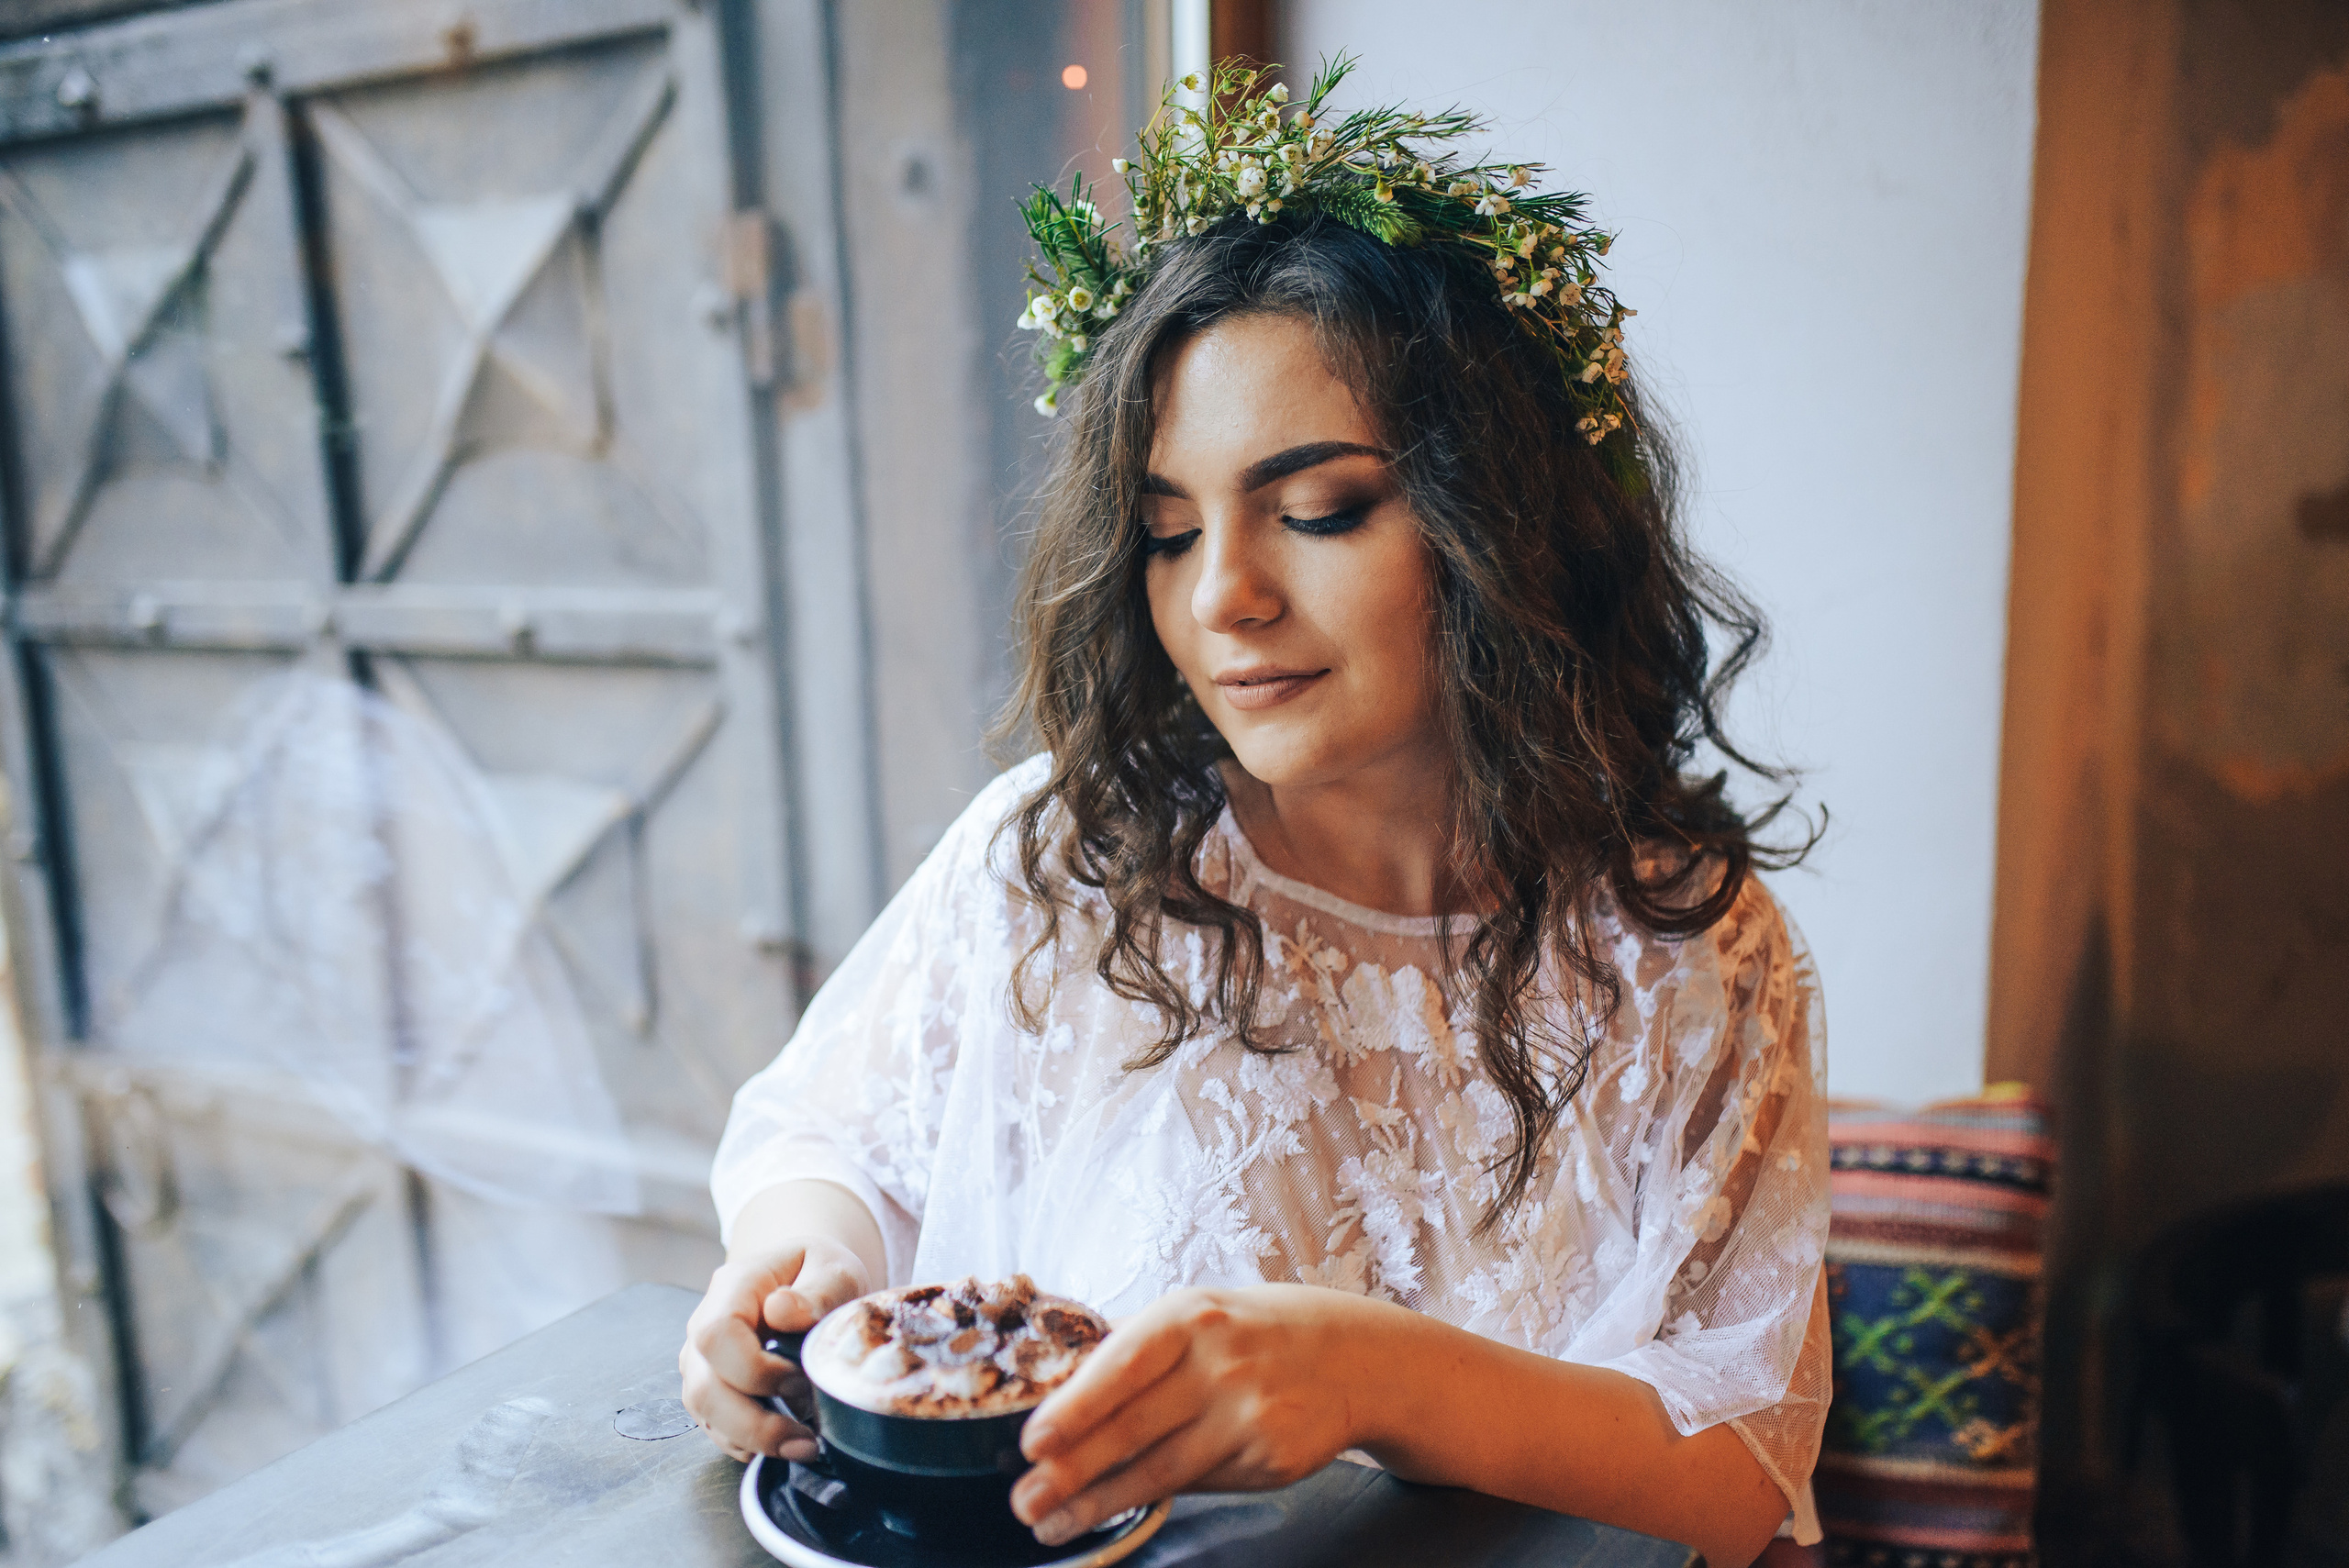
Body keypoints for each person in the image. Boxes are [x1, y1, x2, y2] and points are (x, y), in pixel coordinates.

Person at [682, 58, 1830, 1568]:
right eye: (1167, 530)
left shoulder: (1694, 950)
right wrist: (803, 1255)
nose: (1221, 595)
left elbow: (1743, 1468)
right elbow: (837, 1134)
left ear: (1503, 525)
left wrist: (1369, 1375)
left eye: (1319, 510)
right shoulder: (1065, 861)